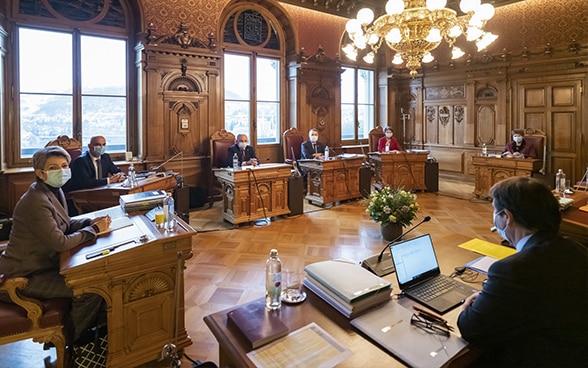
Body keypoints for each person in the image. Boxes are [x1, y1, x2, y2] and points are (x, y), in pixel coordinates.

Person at [457, 176, 587, 367]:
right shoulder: (576, 248)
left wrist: (471, 304)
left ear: (507, 218)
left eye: (495, 211)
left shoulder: (512, 270)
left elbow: (471, 328)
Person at [0, 146, 111, 343]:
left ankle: (87, 333)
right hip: (25, 276)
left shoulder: (53, 190)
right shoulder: (36, 200)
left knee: (95, 280)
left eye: (64, 165)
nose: (61, 171)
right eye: (53, 168)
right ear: (39, 173)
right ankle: (74, 342)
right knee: (91, 290)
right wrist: (93, 231)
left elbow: (64, 224)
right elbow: (60, 242)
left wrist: (88, 222)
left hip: (44, 266)